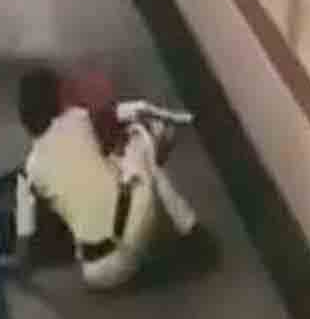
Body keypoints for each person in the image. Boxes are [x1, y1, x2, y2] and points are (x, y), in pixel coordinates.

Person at [14, 67, 199, 290]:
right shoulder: (77, 119)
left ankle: (148, 253)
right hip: (131, 239)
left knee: (105, 168)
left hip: (95, 274)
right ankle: (189, 229)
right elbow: (118, 115)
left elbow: (24, 232)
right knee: (137, 139)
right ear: (56, 99)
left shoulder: (30, 169)